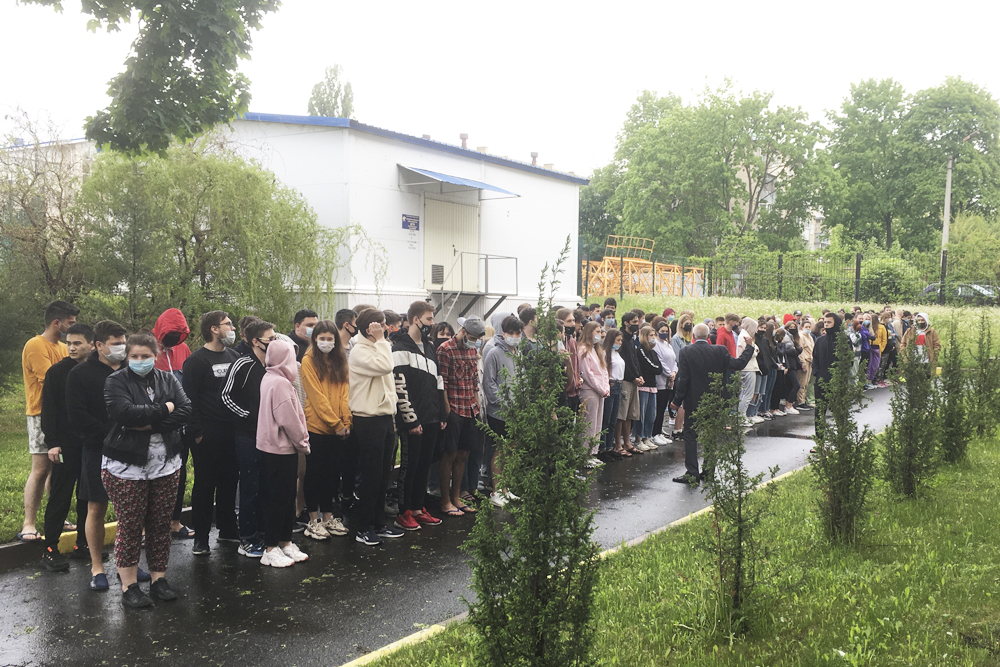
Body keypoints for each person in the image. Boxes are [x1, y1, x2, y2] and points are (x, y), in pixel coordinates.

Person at [103, 331, 192, 608]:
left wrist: (151, 422)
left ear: (156, 356)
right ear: (127, 356)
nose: (140, 360)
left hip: (165, 464)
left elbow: (186, 409)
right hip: (127, 464)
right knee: (130, 525)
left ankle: (158, 579)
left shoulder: (168, 379)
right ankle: (129, 585)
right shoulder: (116, 381)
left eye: (145, 356)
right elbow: (124, 413)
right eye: (134, 356)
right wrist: (165, 408)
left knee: (160, 524)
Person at [66, 320, 128, 591]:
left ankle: (128, 564)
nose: (122, 348)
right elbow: (77, 415)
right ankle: (97, 567)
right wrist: (110, 435)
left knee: (131, 510)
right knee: (96, 508)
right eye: (116, 344)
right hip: (97, 449)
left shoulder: (130, 369)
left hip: (132, 450)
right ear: (99, 345)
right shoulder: (80, 374)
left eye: (123, 343)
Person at [183, 311, 241, 557]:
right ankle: (201, 538)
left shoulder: (234, 357)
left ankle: (227, 529)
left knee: (230, 482)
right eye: (228, 324)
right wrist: (197, 432)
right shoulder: (196, 361)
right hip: (206, 434)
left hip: (233, 432)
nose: (232, 328)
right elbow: (189, 399)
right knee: (205, 485)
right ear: (214, 329)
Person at [20, 299, 78, 543]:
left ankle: (57, 517)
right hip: (39, 413)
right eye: (70, 323)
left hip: (61, 415)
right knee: (41, 468)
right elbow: (52, 380)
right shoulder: (35, 345)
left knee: (57, 467)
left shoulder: (64, 347)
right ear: (57, 323)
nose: (72, 327)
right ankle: (29, 523)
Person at [670, 323, 755, 485]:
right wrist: (749, 347)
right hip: (715, 400)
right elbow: (738, 364)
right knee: (710, 436)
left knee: (690, 436)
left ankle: (692, 472)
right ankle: (709, 471)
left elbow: (683, 380)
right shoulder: (720, 351)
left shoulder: (686, 351)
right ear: (709, 336)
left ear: (693, 337)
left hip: (693, 401)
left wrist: (676, 401)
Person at [40, 323, 93, 571]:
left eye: (77, 343)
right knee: (60, 496)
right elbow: (48, 409)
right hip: (64, 446)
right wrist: (52, 442)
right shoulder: (57, 372)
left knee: (87, 496)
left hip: (90, 445)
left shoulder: (97, 370)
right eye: (68, 343)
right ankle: (50, 549)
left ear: (92, 344)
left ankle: (83, 544)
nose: (71, 348)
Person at [221, 319, 276, 559]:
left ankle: (264, 532)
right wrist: (250, 416)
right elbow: (226, 396)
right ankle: (247, 538)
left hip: (269, 436)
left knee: (266, 485)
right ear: (255, 341)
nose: (274, 342)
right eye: (270, 339)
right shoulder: (242, 364)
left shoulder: (273, 365)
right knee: (250, 487)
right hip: (247, 435)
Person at [348, 308, 404, 545]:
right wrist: (381, 341)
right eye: (381, 325)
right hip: (368, 418)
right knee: (371, 475)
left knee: (383, 474)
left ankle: (379, 523)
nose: (386, 329)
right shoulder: (360, 351)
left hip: (384, 416)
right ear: (370, 328)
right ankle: (364, 527)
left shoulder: (379, 347)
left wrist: (381, 342)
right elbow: (385, 367)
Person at [255, 337, 312, 567]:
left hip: (273, 447)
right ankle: (270, 548)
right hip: (280, 449)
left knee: (285, 497)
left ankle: (285, 542)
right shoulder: (280, 383)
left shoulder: (270, 377)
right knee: (279, 499)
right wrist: (303, 442)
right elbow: (289, 419)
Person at [391, 301, 447, 529]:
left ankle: (417, 507)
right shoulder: (399, 347)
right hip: (412, 420)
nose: (432, 323)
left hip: (432, 417)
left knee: (424, 465)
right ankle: (404, 511)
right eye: (429, 319)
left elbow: (439, 381)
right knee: (410, 466)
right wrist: (410, 419)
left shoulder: (429, 347)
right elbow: (399, 386)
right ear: (416, 319)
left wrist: (441, 414)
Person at [299, 320, 352, 540]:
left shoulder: (340, 360)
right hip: (317, 427)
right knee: (314, 474)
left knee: (332, 475)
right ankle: (313, 520)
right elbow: (316, 396)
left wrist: (346, 422)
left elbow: (345, 392)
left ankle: (329, 517)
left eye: (330, 339)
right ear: (315, 339)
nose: (326, 342)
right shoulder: (308, 361)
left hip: (339, 428)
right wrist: (335, 424)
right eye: (322, 338)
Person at [437, 316, 486, 517]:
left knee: (464, 453)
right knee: (449, 454)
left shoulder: (472, 350)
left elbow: (474, 379)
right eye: (473, 337)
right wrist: (446, 409)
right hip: (454, 407)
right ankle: (445, 500)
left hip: (470, 407)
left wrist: (476, 402)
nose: (475, 342)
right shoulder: (445, 349)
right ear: (463, 331)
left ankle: (456, 496)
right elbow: (442, 382)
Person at [151, 308, 194, 539]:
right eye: (170, 334)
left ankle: (175, 521)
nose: (174, 339)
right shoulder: (148, 349)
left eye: (178, 335)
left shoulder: (183, 349)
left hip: (182, 422)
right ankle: (150, 526)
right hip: (158, 422)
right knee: (154, 475)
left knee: (180, 472)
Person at [483, 315, 525, 505]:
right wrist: (503, 402)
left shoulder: (518, 353)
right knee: (500, 451)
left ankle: (506, 488)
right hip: (499, 412)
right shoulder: (494, 353)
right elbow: (489, 383)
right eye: (511, 333)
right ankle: (496, 491)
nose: (515, 336)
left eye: (518, 333)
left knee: (511, 450)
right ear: (504, 333)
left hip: (516, 411)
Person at [576, 321, 609, 468]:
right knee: (588, 424)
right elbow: (588, 374)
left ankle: (592, 452)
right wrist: (601, 389)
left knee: (597, 423)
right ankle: (584, 454)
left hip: (600, 391)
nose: (600, 334)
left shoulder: (597, 350)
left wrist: (605, 387)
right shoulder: (583, 350)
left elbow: (604, 371)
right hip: (590, 390)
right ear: (589, 333)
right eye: (597, 331)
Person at [616, 311, 644, 456]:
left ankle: (627, 443)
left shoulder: (632, 339)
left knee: (630, 415)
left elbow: (634, 360)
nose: (636, 325)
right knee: (621, 415)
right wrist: (633, 377)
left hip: (634, 380)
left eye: (637, 322)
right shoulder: (622, 338)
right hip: (626, 380)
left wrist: (639, 375)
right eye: (633, 322)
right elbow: (624, 362)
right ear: (626, 323)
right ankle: (618, 444)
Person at [812, 312, 845, 434]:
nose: (826, 324)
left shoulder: (844, 340)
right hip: (821, 379)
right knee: (819, 411)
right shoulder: (820, 340)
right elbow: (815, 358)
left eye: (829, 322)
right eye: (825, 322)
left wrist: (840, 376)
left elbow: (847, 361)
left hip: (837, 380)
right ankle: (819, 439)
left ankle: (841, 437)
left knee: (838, 411)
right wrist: (817, 373)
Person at [634, 325, 662, 450]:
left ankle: (647, 437)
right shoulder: (640, 351)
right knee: (641, 414)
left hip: (652, 386)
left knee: (651, 415)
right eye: (651, 335)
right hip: (643, 386)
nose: (653, 337)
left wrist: (656, 368)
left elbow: (659, 369)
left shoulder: (653, 352)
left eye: (654, 335)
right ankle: (638, 438)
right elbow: (651, 366)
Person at [599, 330, 625, 459]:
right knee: (606, 418)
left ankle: (609, 446)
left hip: (619, 384)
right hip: (611, 383)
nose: (620, 343)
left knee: (613, 419)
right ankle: (602, 448)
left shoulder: (616, 353)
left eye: (621, 340)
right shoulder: (605, 353)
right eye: (618, 340)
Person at [651, 318, 676, 444]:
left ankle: (659, 432)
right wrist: (668, 374)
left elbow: (674, 361)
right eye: (662, 331)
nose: (665, 333)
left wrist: (674, 372)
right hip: (661, 380)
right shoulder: (656, 345)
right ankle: (654, 433)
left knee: (662, 408)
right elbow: (660, 362)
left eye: (666, 331)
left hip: (669, 381)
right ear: (657, 332)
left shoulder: (668, 345)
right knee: (658, 408)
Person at [152, 308, 192, 377]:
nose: (175, 336)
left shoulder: (183, 348)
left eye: (179, 334)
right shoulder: (148, 348)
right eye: (172, 333)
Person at [556, 308, 582, 414]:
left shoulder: (572, 341)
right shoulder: (559, 343)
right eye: (569, 321)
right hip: (564, 392)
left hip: (574, 391)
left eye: (573, 320)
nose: (573, 324)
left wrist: (578, 378)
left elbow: (576, 364)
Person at [735, 317, 760, 427]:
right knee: (746, 394)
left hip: (748, 368)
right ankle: (741, 417)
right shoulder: (745, 336)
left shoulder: (745, 335)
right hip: (747, 368)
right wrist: (754, 349)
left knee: (744, 393)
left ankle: (742, 415)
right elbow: (750, 352)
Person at [787, 320, 813, 411]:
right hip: (804, 360)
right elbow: (800, 351)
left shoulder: (809, 336)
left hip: (810, 360)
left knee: (806, 382)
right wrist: (802, 363)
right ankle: (800, 401)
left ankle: (803, 400)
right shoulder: (801, 336)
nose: (808, 329)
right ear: (802, 327)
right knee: (802, 382)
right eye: (806, 327)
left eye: (809, 327)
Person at [866, 313, 886, 390]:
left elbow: (884, 339)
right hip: (869, 347)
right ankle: (867, 381)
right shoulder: (868, 327)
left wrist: (881, 348)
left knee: (875, 365)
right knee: (868, 365)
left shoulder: (882, 327)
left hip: (877, 347)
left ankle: (871, 379)